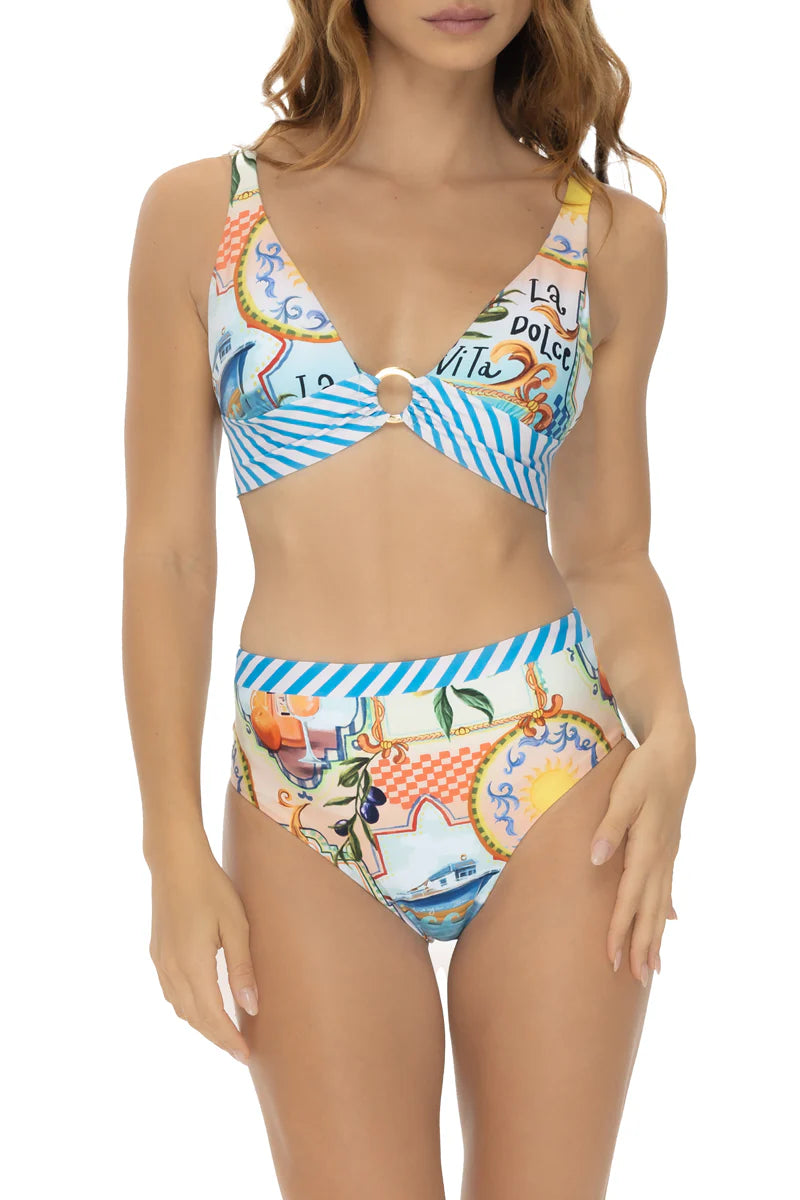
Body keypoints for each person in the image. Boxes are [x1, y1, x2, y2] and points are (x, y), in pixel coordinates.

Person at [123, 2, 696, 1196]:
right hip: (300, 784)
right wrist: (170, 844)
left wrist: (675, 730)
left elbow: (606, 555)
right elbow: (168, 555)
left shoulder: (606, 239)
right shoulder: (200, 216)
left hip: (552, 771)